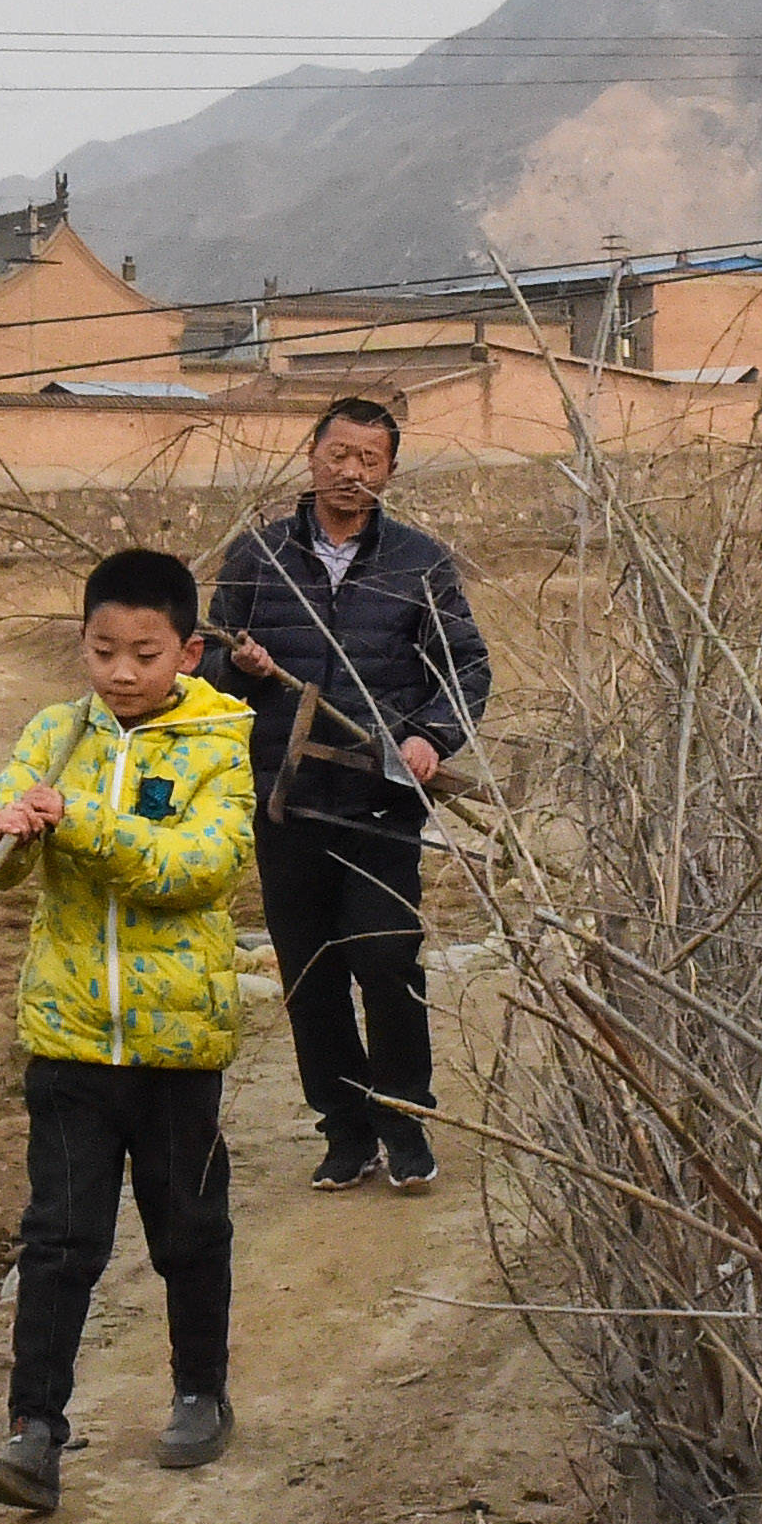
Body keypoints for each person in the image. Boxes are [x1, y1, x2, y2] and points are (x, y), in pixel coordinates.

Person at [0, 548, 256, 1515]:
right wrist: (6, 825)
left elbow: (194, 870)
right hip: (69, 1038)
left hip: (175, 1047)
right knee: (60, 1236)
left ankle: (200, 1392)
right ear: (80, 647)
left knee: (188, 1229)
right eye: (101, 651)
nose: (121, 673)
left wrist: (81, 823)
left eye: (144, 652)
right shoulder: (53, 732)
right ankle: (33, 1432)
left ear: (188, 653)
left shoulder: (218, 743)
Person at [206, 396, 493, 1193]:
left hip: (380, 803)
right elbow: (206, 668)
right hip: (286, 801)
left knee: (386, 960)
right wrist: (243, 669)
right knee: (310, 973)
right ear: (311, 457)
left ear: (390, 472)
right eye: (339, 455)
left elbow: (465, 668)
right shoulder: (256, 559)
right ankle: (343, 1131)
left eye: (370, 460)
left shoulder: (417, 563)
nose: (351, 473)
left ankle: (404, 1123)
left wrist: (428, 738)